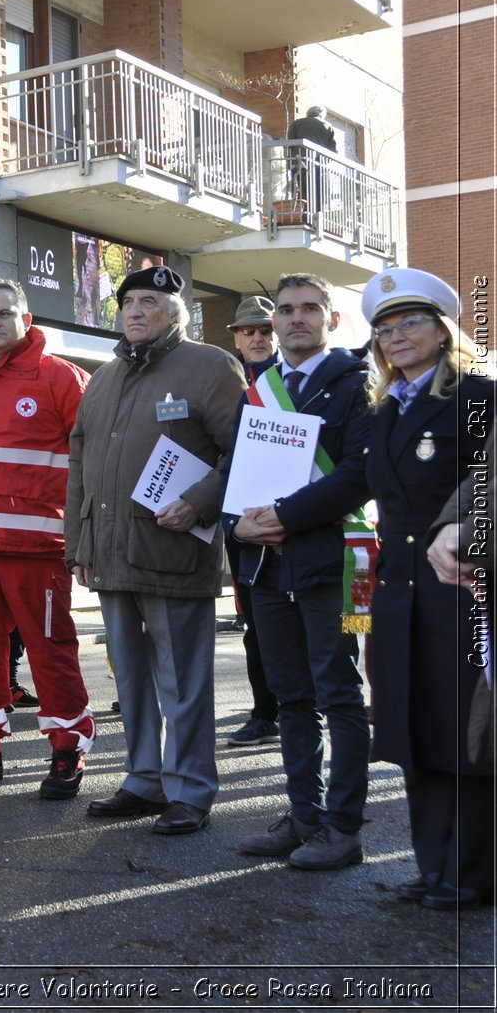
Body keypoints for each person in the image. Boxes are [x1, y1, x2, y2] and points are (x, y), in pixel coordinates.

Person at [66, 266, 244, 834]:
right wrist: (78, 543)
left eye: (150, 301)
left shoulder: (212, 366)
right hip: (110, 553)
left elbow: (241, 451)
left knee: (182, 679)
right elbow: (79, 468)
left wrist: (199, 501)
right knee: (130, 678)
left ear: (176, 312)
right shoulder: (102, 377)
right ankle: (143, 779)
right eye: (128, 302)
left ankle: (189, 788)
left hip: (172, 547)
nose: (136, 310)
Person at [227, 273, 374, 868]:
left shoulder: (358, 387)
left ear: (331, 320)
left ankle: (342, 827)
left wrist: (282, 516)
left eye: (309, 308)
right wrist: (237, 523)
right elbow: (237, 469)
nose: (295, 319)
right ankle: (302, 815)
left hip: (338, 564)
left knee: (339, 693)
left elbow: (356, 477)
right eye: (286, 310)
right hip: (266, 566)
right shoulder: (258, 390)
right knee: (291, 697)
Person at [360, 268, 493, 907]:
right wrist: (274, 511)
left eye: (409, 323)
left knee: (464, 735)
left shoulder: (479, 396)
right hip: (400, 591)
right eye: (384, 329)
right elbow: (354, 488)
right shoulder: (385, 411)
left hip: (460, 585)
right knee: (416, 730)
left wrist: (470, 526)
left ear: (443, 330)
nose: (395, 336)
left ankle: (472, 873)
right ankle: (432, 866)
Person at [0, 280, 95, 799]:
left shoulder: (61, 378)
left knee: (50, 650)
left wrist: (84, 536)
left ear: (27, 319)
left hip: (36, 545)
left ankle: (67, 747)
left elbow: (91, 461)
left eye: (5, 313)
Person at [222, 296, 282, 748]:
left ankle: (325, 705)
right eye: (248, 331)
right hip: (241, 526)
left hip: (297, 522)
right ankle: (265, 713)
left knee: (326, 628)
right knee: (256, 625)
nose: (257, 338)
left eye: (265, 329)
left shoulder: (296, 379)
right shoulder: (225, 384)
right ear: (237, 338)